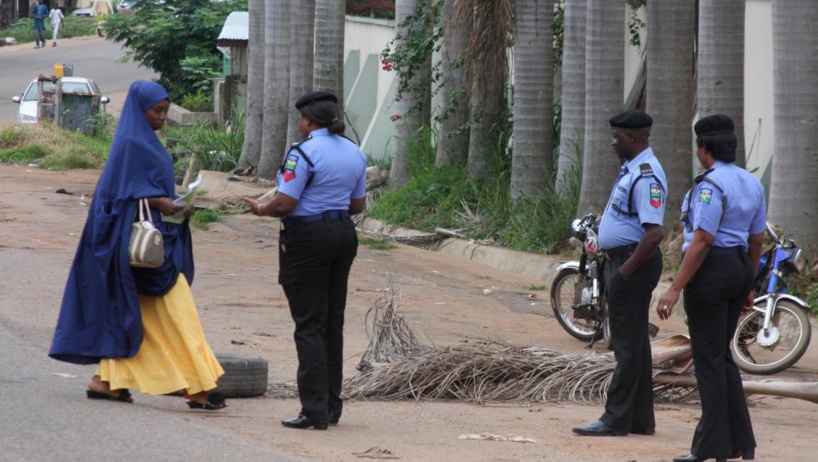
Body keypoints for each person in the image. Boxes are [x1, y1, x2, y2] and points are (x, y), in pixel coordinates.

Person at [49, 80, 228, 412]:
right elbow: (117, 196)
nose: (162, 117)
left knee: (137, 315)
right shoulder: (132, 143)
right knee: (178, 311)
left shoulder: (144, 141)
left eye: (164, 110)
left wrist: (176, 204)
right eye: (156, 111)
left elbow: (143, 187)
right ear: (139, 109)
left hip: (155, 243)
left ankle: (106, 382)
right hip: (137, 247)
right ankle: (199, 387)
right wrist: (161, 202)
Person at [243, 91, 367, 430]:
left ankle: (313, 411)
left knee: (310, 323)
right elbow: (357, 206)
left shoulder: (303, 153)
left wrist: (260, 208)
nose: (299, 125)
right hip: (343, 234)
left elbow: (283, 204)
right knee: (332, 322)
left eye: (301, 119)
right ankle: (331, 406)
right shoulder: (355, 152)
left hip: (309, 238)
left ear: (309, 121)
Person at [657, 114, 763, 462]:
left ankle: (710, 446)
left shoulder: (710, 186)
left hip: (711, 270)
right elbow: (756, 240)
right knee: (722, 357)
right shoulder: (751, 183)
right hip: (737, 267)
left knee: (708, 360)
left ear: (704, 150)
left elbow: (702, 240)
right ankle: (740, 443)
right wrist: (747, 282)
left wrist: (674, 288)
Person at [572, 110, 667, 437]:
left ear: (634, 137)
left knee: (625, 347)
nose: (612, 142)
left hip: (632, 264)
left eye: (617, 137)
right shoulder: (631, 170)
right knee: (637, 344)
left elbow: (654, 232)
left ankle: (614, 419)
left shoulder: (646, 175)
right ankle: (641, 419)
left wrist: (624, 273)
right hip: (623, 261)